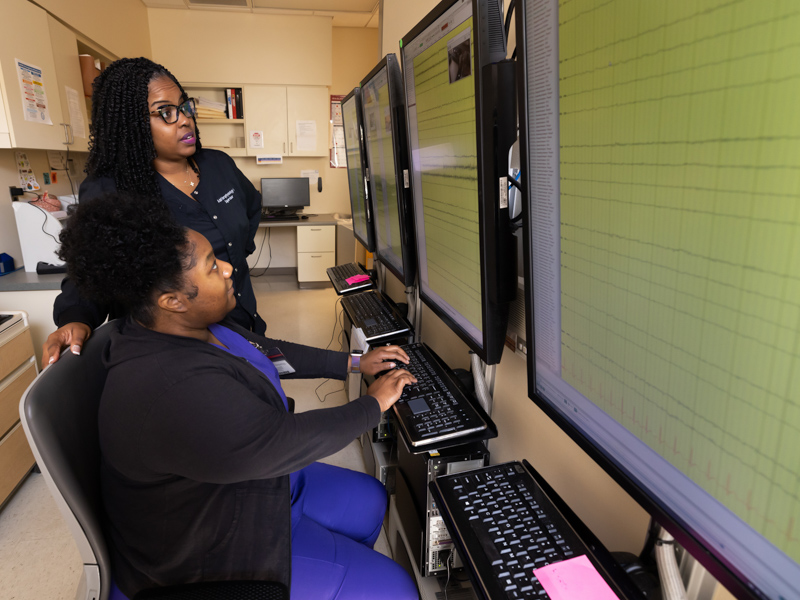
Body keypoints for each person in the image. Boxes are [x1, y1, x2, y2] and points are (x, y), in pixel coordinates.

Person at [56, 191, 420, 600]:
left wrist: (353, 364)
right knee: (396, 589)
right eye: (213, 267)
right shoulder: (171, 384)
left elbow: (270, 352)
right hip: (206, 550)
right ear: (172, 300)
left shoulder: (194, 326)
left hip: (235, 482)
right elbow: (279, 442)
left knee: (370, 499)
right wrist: (372, 405)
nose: (229, 269)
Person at [43, 57, 266, 365]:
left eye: (184, 106)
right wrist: (75, 317)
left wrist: (233, 255)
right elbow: (92, 269)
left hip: (241, 321)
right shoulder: (112, 189)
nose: (185, 120)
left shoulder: (218, 164)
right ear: (130, 123)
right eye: (165, 113)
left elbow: (251, 207)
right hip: (174, 350)